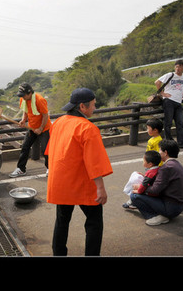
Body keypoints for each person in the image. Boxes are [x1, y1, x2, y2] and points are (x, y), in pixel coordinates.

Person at [46, 88, 113, 256]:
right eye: (93, 105)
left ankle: (58, 253)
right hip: (83, 183)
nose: (95, 108)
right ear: (82, 107)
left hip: (62, 182)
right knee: (94, 223)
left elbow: (49, 152)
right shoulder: (87, 128)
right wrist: (101, 188)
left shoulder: (59, 122)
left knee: (62, 221)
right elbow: (94, 162)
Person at [130, 139, 183, 226]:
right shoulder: (176, 164)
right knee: (142, 192)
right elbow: (160, 183)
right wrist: (145, 178)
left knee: (134, 196)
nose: (158, 152)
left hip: (171, 207)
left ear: (165, 152)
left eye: (160, 150)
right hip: (178, 205)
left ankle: (155, 216)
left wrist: (140, 187)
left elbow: (155, 190)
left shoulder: (166, 168)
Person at [9, 83, 52, 178]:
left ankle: (50, 168)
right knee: (25, 147)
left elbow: (45, 115)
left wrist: (41, 128)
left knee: (45, 150)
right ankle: (21, 169)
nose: (22, 97)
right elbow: (26, 110)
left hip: (44, 128)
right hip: (32, 127)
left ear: (30, 93)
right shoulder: (23, 99)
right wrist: (23, 120)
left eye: (23, 95)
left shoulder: (40, 100)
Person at [155, 59, 183, 149]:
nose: (177, 68)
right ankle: (169, 143)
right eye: (176, 66)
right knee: (168, 123)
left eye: (180, 67)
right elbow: (157, 82)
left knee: (180, 123)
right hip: (169, 101)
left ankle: (182, 142)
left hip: (178, 102)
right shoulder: (170, 75)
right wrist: (163, 93)